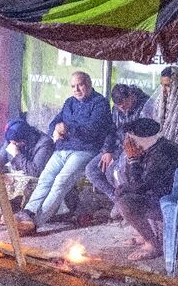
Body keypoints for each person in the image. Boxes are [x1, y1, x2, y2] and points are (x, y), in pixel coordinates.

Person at [15, 71, 113, 235]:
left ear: (89, 84)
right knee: (45, 178)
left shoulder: (100, 103)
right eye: (73, 86)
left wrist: (67, 128)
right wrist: (55, 129)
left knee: (61, 182)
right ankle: (28, 212)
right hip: (62, 148)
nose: (76, 89)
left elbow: (93, 129)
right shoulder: (69, 102)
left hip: (84, 150)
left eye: (80, 85)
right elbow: (55, 121)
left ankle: (36, 222)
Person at [114, 117, 178, 261]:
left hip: (175, 203)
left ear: (141, 140)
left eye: (131, 140)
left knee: (127, 203)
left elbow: (139, 187)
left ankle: (153, 244)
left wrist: (133, 160)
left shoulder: (161, 154)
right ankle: (147, 235)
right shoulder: (156, 147)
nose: (129, 144)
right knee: (123, 192)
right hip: (166, 197)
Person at [0, 118, 53, 227]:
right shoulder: (11, 139)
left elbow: (35, 171)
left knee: (23, 183)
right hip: (16, 172)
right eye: (11, 142)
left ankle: (19, 215)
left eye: (16, 143)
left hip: (36, 177)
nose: (12, 144)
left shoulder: (44, 143)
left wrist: (17, 155)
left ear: (24, 140)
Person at [85, 83, 150, 217]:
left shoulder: (146, 106)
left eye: (124, 105)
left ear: (131, 96)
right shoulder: (116, 109)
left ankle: (130, 204)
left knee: (113, 170)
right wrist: (107, 151)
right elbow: (111, 130)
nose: (122, 109)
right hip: (117, 147)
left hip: (136, 148)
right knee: (91, 169)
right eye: (119, 106)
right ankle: (118, 200)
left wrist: (121, 153)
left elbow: (145, 135)